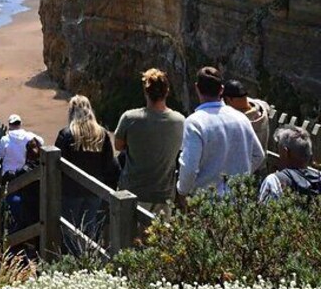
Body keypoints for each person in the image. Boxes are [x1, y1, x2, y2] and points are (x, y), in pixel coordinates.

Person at [176, 67, 265, 206]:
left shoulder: (195, 123)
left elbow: (190, 167)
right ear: (221, 89)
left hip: (207, 204)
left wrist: (182, 191)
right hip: (239, 203)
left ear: (197, 88)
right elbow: (258, 155)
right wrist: (239, 176)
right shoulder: (241, 118)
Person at [114, 69, 185, 217]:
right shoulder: (180, 121)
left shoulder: (129, 118)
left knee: (129, 238)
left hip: (132, 194)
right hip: (164, 195)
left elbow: (118, 145)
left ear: (145, 92)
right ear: (167, 91)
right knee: (158, 239)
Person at [55, 95, 119, 253]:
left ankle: (71, 263)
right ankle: (88, 263)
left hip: (70, 191)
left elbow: (56, 165)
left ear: (71, 112)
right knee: (89, 230)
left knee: (69, 230)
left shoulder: (66, 134)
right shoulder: (102, 134)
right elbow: (110, 165)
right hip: (94, 191)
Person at [259, 125, 321, 201]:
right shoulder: (318, 179)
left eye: (279, 150)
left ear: (285, 152)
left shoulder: (275, 181)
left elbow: (264, 210)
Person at [223, 79, 272, 171]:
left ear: (229, 99)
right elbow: (262, 104)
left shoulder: (239, 121)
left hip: (246, 168)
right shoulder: (261, 108)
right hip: (262, 166)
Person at [2, 137, 42, 234]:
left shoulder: (24, 170)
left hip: (28, 204)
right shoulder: (45, 166)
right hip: (43, 202)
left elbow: (14, 179)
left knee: (11, 199)